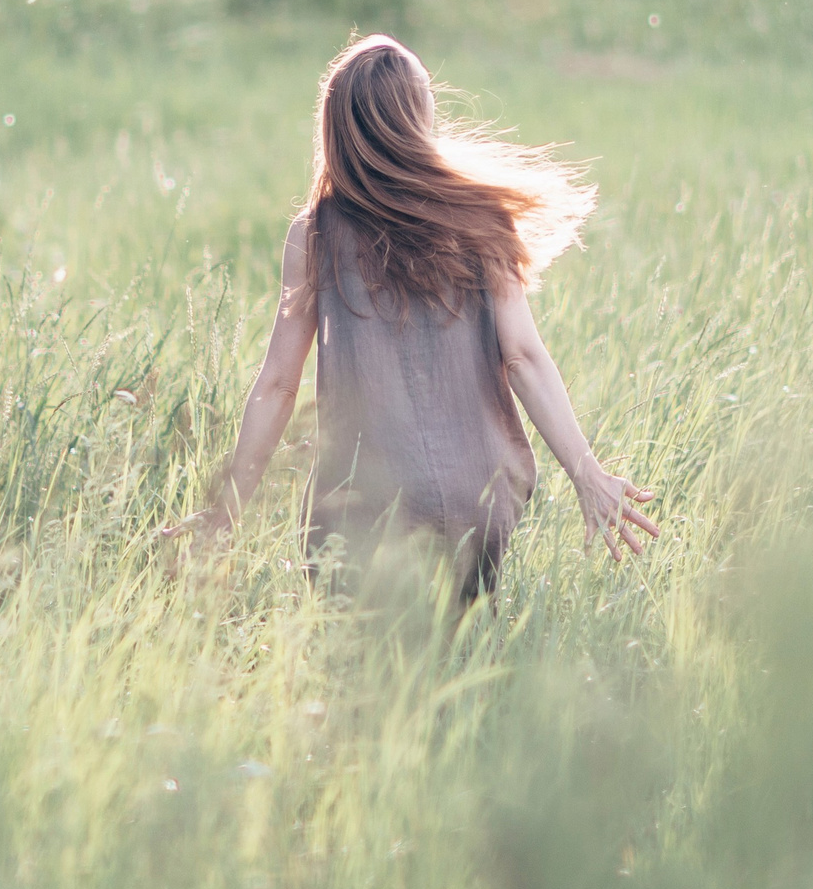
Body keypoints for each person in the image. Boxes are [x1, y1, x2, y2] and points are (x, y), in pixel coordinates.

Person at [175, 34, 658, 600]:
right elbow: (524, 356)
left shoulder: (316, 233)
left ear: (336, 128)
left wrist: (227, 511)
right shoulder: (483, 218)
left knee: (368, 671)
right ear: (418, 119)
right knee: (468, 653)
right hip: (475, 499)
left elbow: (280, 383)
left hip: (364, 509)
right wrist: (588, 474)